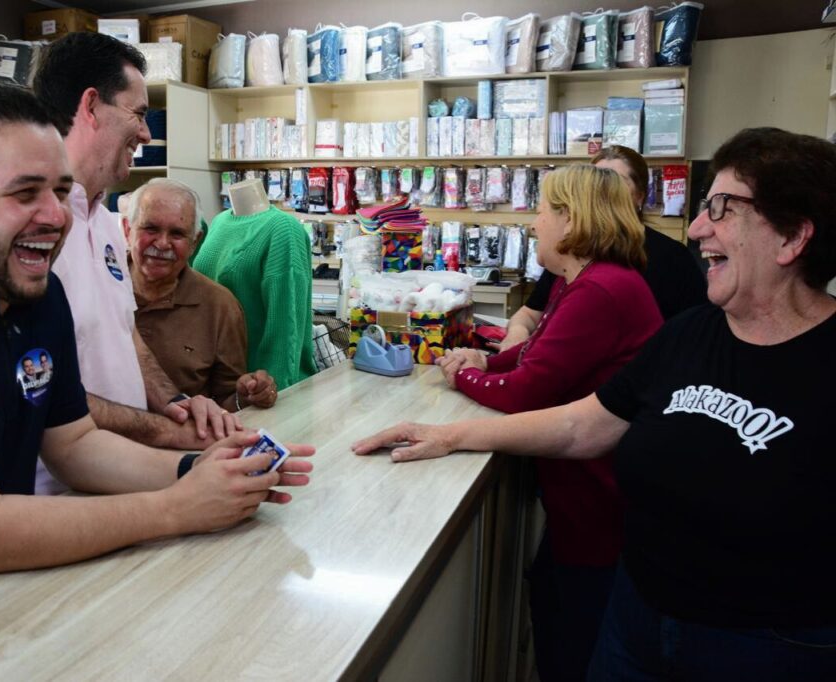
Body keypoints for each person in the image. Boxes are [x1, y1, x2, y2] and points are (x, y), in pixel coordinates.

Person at [353, 127, 836, 681]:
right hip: (637, 619)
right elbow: (585, 426)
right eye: (703, 207)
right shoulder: (690, 335)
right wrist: (449, 435)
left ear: (793, 237)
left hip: (767, 650)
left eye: (722, 208)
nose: (698, 227)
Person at [0, 83, 313, 610]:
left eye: (59, 191)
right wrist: (179, 507)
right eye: (25, 193)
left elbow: (74, 445)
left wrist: (201, 469)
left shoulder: (34, 293)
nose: (55, 216)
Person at [436, 164, 663, 681]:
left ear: (570, 219)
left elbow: (528, 392)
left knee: (573, 638)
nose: (534, 224)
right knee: (553, 604)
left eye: (541, 211)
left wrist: (462, 380)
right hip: (583, 501)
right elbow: (539, 356)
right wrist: (483, 362)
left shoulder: (601, 290)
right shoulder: (575, 281)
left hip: (600, 508)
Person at [32, 32, 236, 493]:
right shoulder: (33, 232)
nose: (146, 133)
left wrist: (177, 404)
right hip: (56, 496)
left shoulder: (107, 224)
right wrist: (170, 435)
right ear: (89, 105)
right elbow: (39, 388)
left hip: (128, 475)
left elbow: (126, 336)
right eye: (139, 113)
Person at [501, 145, 706, 350]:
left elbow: (695, 331)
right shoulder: (573, 251)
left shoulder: (672, 257)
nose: (603, 192)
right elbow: (530, 312)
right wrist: (516, 336)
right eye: (594, 184)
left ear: (640, 197)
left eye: (615, 182)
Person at [124, 178, 278, 411]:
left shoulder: (220, 307)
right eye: (151, 228)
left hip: (178, 444)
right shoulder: (96, 287)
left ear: (195, 242)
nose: (163, 244)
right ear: (127, 230)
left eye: (177, 234)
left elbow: (226, 398)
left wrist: (247, 395)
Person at [193, 180, 317, 391]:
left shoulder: (283, 229)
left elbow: (286, 322)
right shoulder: (219, 222)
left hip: (258, 384)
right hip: (217, 379)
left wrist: (274, 387)